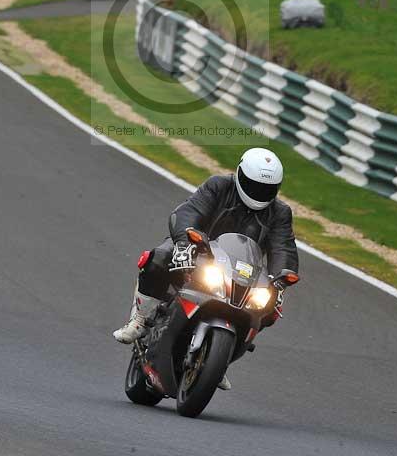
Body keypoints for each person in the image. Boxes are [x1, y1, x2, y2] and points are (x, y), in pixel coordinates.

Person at [113, 147, 299, 390]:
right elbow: (188, 211)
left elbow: (283, 246)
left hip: (243, 269)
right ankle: (140, 319)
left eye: (266, 188)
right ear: (240, 175)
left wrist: (283, 274)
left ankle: (221, 359)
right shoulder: (219, 186)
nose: (259, 192)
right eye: (254, 185)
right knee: (158, 257)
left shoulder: (280, 212)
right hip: (198, 248)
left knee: (270, 306)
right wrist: (185, 240)